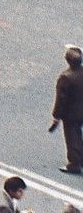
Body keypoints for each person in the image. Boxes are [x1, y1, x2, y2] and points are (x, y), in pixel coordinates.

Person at [54, 44, 83, 175]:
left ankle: (75, 163)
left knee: (72, 137)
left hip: (72, 113)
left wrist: (56, 116)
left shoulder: (65, 77)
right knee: (78, 134)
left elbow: (61, 99)